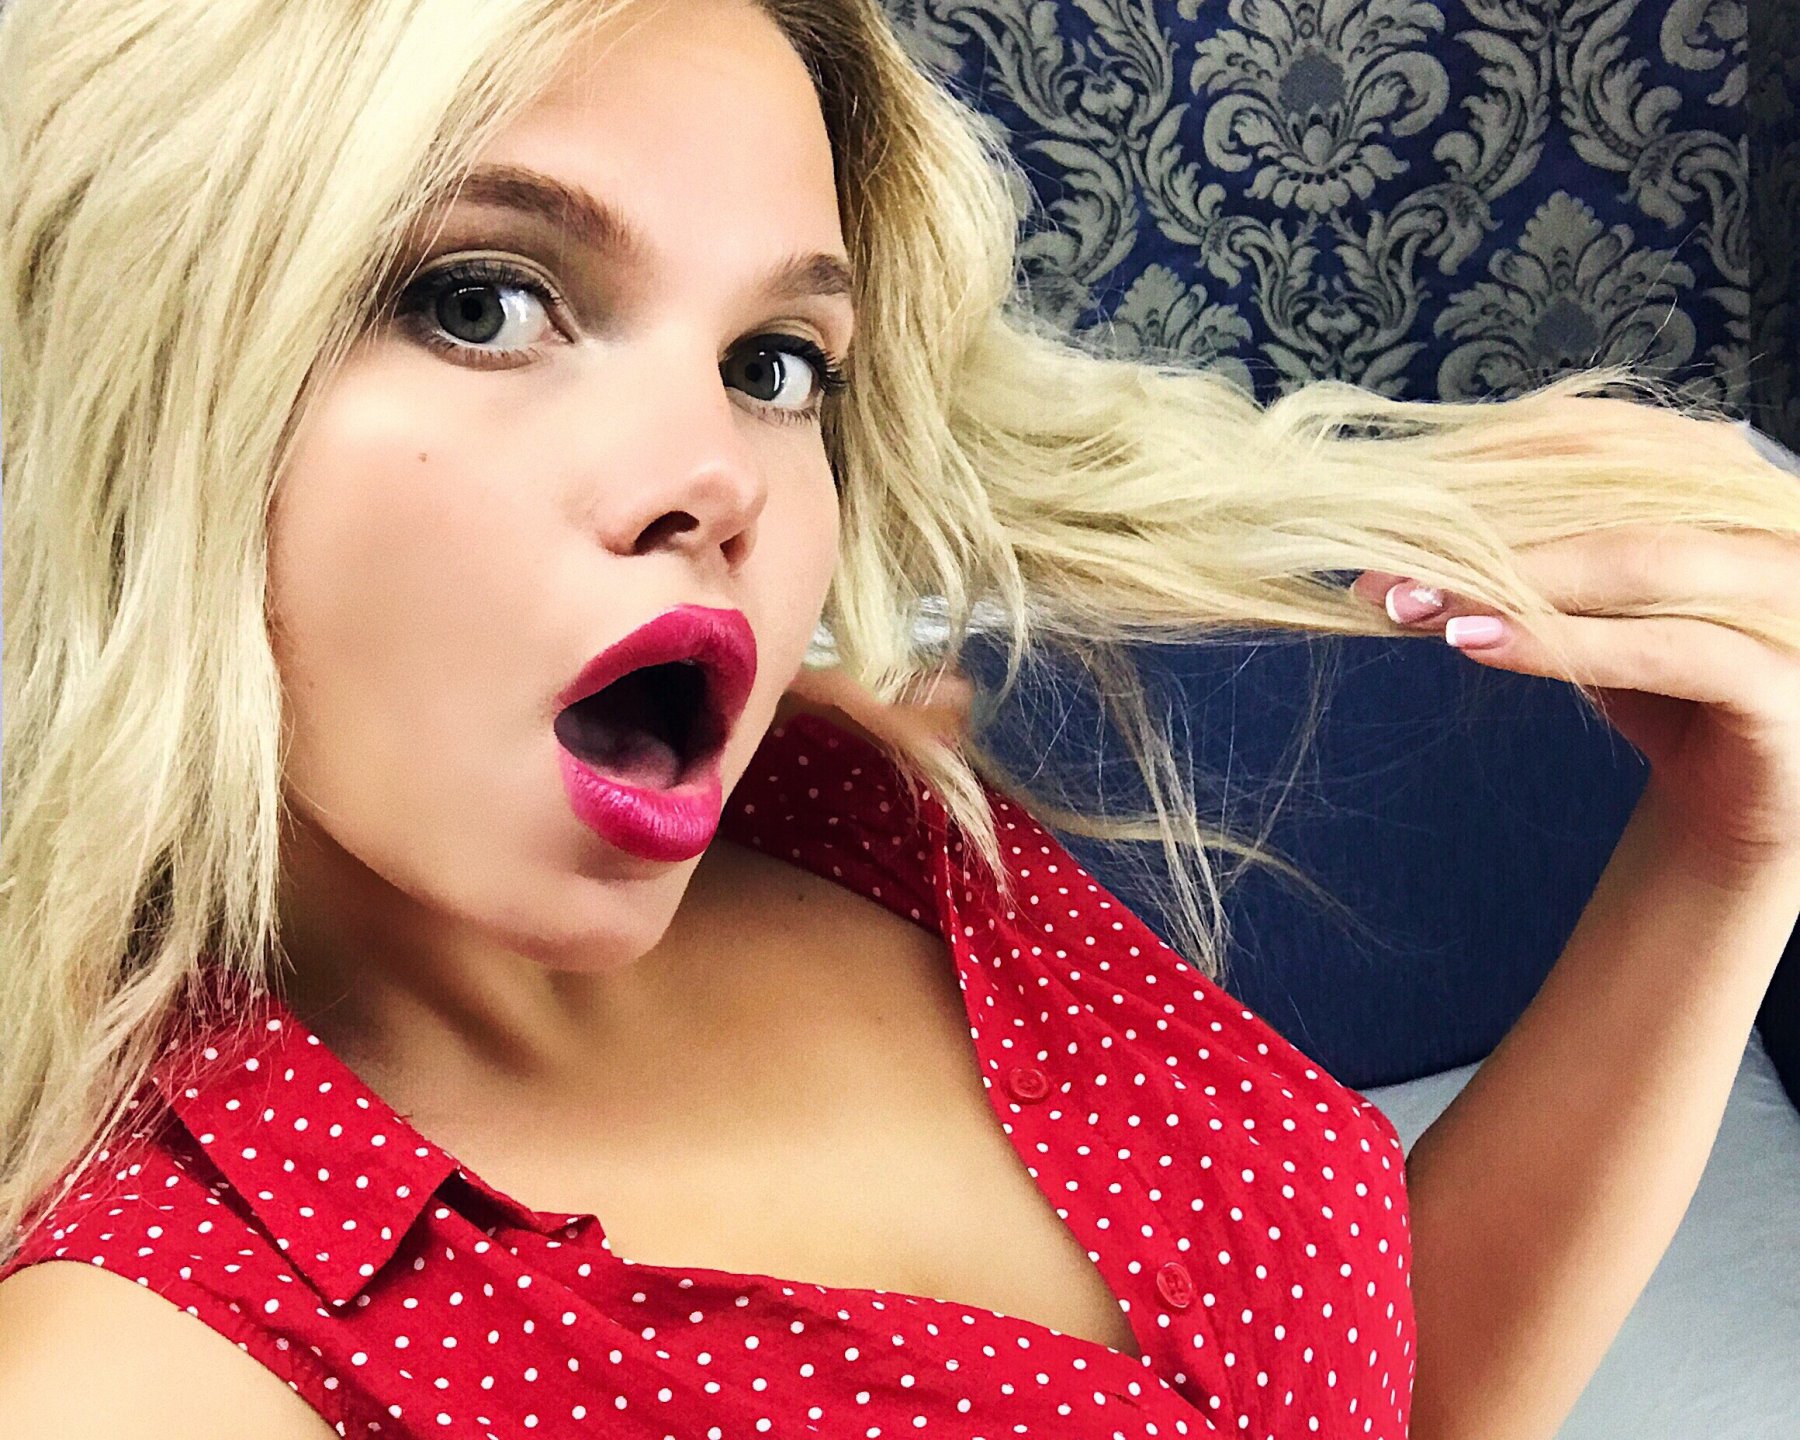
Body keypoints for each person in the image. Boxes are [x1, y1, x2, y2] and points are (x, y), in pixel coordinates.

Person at [3, 1, 1800, 1436]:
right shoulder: (154, 1356)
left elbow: (1381, 1390)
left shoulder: (855, 800)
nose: (721, 476)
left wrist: (1728, 856)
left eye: (774, 365)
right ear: (137, 376)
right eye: (483, 302)